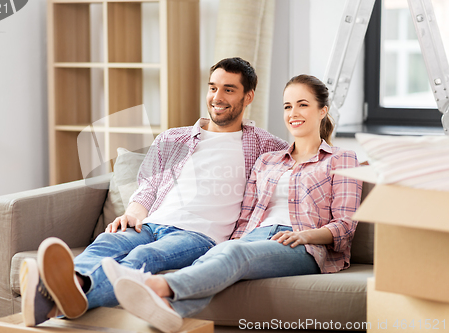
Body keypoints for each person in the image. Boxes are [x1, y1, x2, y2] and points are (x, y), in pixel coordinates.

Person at [19, 57, 289, 326]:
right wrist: (133, 213)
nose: (217, 97)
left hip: (200, 235)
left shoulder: (267, 146)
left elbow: (309, 166)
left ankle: (58, 297)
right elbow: (148, 185)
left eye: (229, 89)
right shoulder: (173, 138)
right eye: (212, 87)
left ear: (248, 96)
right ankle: (69, 289)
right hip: (151, 223)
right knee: (106, 243)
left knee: (143, 257)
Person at [107, 74, 363, 333]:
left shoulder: (342, 159)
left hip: (304, 245)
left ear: (323, 110)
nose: (293, 112)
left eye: (303, 104)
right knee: (217, 255)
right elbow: (246, 217)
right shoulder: (268, 160)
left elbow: (345, 226)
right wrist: (231, 240)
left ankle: (157, 287)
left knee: (234, 253)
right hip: (258, 235)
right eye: (287, 106)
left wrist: (305, 235)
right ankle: (171, 310)